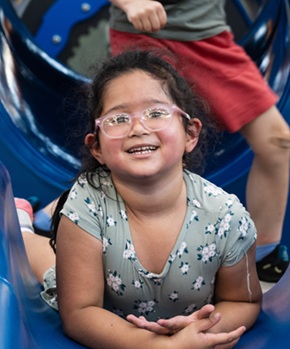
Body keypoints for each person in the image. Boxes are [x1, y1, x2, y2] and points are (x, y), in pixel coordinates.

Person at [16, 50, 262, 349]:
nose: (138, 128)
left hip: (178, 307)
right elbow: (78, 313)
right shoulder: (87, 202)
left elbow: (243, 301)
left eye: (156, 113)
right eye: (119, 119)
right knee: (48, 265)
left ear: (190, 133)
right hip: (101, 298)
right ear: (97, 147)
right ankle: (22, 222)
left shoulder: (225, 217)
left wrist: (202, 329)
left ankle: (41, 214)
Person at [107, 0, 290, 283]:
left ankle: (261, 255)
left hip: (209, 39)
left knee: (278, 142)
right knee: (145, 148)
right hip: (148, 35)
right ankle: (54, 217)